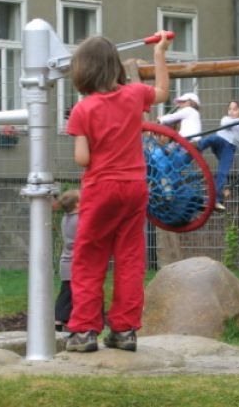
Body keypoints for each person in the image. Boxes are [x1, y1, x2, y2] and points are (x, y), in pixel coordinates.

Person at [64, 31, 171, 352]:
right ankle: (124, 331)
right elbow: (163, 92)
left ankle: (83, 331)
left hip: (101, 189)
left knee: (88, 258)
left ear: (82, 70)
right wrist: (160, 54)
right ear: (115, 67)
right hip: (134, 188)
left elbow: (82, 158)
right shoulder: (135, 94)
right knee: (130, 257)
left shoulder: (83, 110)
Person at [53, 189, 79, 332]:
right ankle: (59, 318)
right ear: (77, 205)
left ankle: (62, 319)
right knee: (68, 293)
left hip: (66, 262)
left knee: (67, 291)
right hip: (74, 263)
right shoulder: (78, 219)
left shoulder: (66, 218)